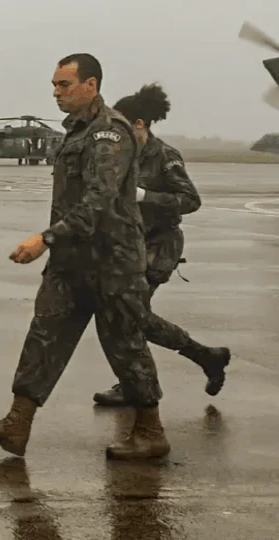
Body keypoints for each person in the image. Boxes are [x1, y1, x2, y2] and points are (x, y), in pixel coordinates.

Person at [0, 53, 170, 460]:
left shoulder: (109, 133)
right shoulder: (77, 131)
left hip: (112, 262)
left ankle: (151, 432)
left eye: (64, 84)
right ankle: (17, 424)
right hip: (72, 260)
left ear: (90, 85)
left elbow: (100, 200)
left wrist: (46, 239)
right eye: (54, 85)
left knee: (125, 345)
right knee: (44, 335)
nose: (56, 92)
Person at [91, 84, 230, 407]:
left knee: (130, 313)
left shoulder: (164, 156)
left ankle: (138, 386)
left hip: (159, 245)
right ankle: (204, 357)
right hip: (128, 244)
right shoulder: (119, 155)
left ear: (139, 124)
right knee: (125, 316)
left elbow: (190, 200)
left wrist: (146, 196)